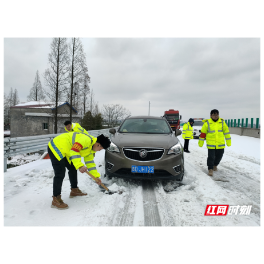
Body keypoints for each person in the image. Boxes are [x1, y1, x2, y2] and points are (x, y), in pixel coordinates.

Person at [48, 132, 111, 209]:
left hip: (67, 150)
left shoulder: (91, 149)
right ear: (98, 144)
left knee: (73, 168)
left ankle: (74, 190)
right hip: (56, 146)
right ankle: (56, 198)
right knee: (60, 173)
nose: (99, 150)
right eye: (100, 149)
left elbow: (90, 164)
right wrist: (80, 165)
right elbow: (74, 151)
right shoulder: (86, 140)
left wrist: (96, 177)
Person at [198, 109, 231, 176]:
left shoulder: (222, 122)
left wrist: (228, 141)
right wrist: (201, 142)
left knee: (219, 156)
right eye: (214, 115)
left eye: (217, 114)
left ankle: (215, 165)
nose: (216, 116)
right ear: (211, 116)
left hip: (220, 144)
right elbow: (203, 133)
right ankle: (210, 169)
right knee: (211, 157)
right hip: (211, 144)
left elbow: (226, 133)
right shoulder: (207, 123)